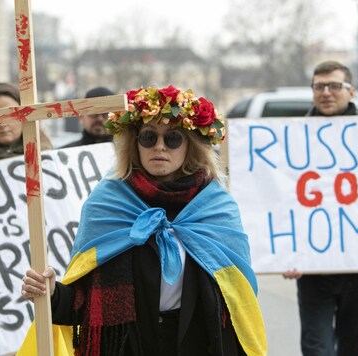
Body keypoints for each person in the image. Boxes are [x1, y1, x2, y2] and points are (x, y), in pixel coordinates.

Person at [19, 85, 267, 356]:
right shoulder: (108, 202)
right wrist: (51, 292)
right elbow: (82, 302)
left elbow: (238, 298)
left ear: (190, 146)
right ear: (135, 144)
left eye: (173, 138)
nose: (159, 147)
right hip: (126, 346)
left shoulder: (216, 206)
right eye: (148, 137)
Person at [283, 60, 358, 356]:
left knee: (352, 351)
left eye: (334, 85)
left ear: (351, 91)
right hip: (313, 271)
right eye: (319, 86)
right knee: (316, 349)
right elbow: (280, 198)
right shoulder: (291, 138)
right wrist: (282, 253)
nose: (326, 92)